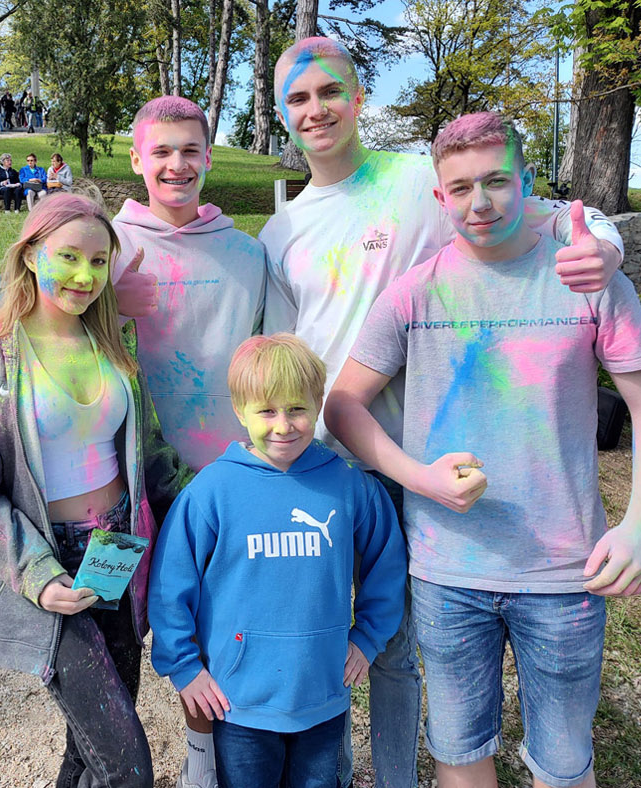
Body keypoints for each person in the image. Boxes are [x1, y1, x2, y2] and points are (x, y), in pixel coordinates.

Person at [257, 39, 624, 788]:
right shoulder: (279, 231)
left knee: (399, 650)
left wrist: (609, 246)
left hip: (423, 459)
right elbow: (291, 357)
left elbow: (551, 212)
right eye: (297, 98)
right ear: (281, 114)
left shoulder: (419, 176)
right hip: (329, 460)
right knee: (330, 637)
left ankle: (397, 777)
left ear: (360, 99)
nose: (316, 109)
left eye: (330, 91)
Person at [0, 193, 192, 788]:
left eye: (100, 262)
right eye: (69, 257)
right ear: (30, 256)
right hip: (56, 565)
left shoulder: (112, 345)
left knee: (88, 751)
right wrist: (35, 572)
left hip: (120, 555)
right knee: (127, 765)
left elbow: (154, 459)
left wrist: (209, 520)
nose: (86, 276)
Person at [149, 334, 405, 788]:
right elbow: (172, 584)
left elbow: (386, 558)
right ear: (239, 410)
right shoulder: (212, 491)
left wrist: (367, 638)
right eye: (267, 411)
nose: (283, 425)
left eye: (297, 409)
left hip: (322, 695)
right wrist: (184, 666)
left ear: (318, 403)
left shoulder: (346, 485)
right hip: (237, 702)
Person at [110, 95, 268, 481]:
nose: (177, 165)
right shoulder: (105, 248)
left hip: (231, 471)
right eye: (161, 151)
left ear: (208, 158)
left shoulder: (249, 254)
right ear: (136, 160)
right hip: (129, 472)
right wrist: (112, 306)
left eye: (190, 151)